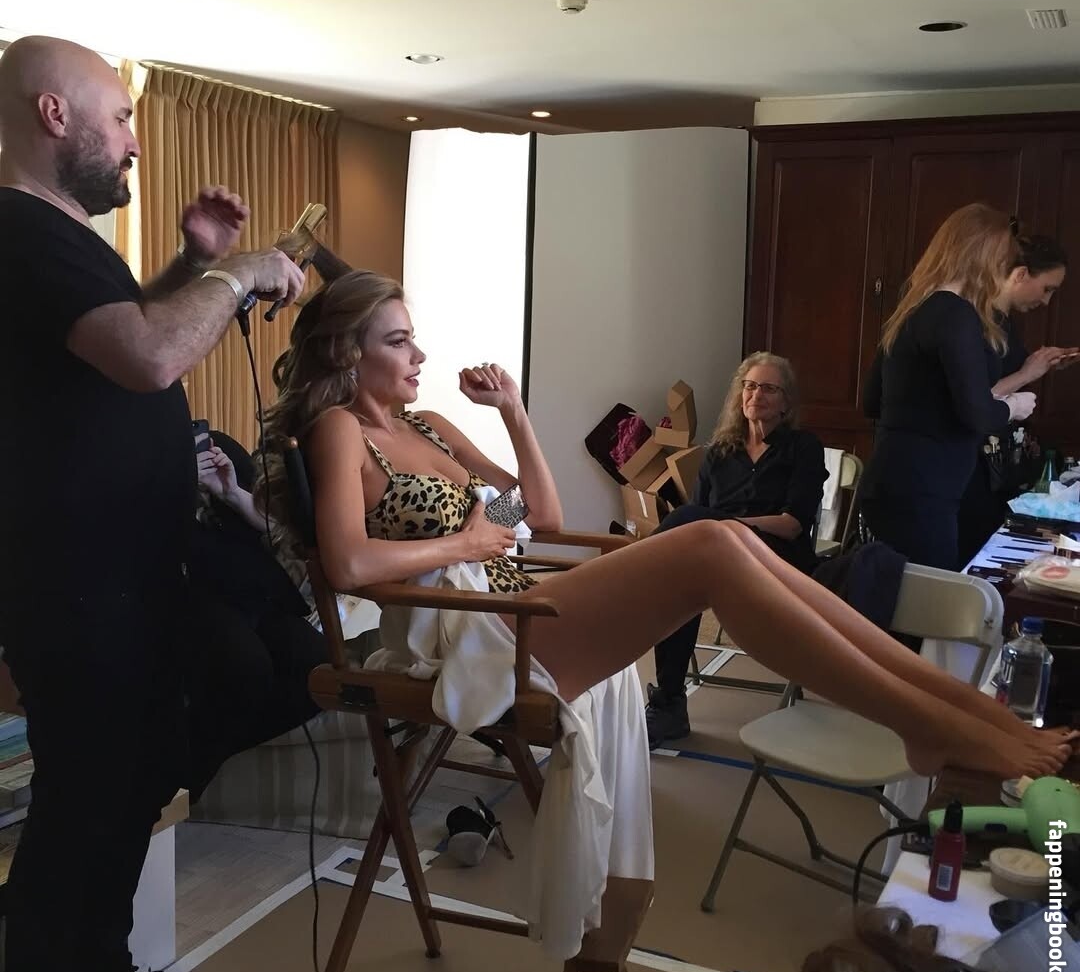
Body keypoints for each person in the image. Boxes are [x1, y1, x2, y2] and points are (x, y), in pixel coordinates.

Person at [260, 270, 1075, 785]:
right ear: (347, 351)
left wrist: (513, 413)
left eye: (413, 336)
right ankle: (931, 721)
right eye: (399, 340)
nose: (419, 353)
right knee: (713, 544)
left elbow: (536, 515)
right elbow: (348, 563)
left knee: (730, 540)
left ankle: (956, 711)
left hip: (514, 605)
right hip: (475, 638)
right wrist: (467, 543)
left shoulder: (431, 426)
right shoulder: (340, 431)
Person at [0, 36, 304, 972]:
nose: (135, 140)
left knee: (127, 780)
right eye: (123, 116)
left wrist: (193, 264)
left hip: (119, 577)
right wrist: (240, 274)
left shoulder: (58, 237)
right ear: (55, 115)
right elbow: (147, 354)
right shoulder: (19, 226)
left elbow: (116, 328)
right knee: (88, 792)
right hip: (79, 586)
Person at [643, 352, 827, 748]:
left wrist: (729, 527)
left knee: (688, 524)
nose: (756, 395)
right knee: (678, 584)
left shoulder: (803, 448)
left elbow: (792, 523)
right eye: (750, 386)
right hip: (717, 559)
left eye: (768, 388)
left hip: (776, 559)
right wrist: (716, 530)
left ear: (785, 401)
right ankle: (670, 704)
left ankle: (636, 571)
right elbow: (696, 521)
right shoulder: (719, 452)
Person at [860, 203, 1038, 571]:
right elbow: (977, 415)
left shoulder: (912, 309)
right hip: (925, 489)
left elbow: (872, 401)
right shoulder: (956, 313)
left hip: (891, 477)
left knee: (894, 592)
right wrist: (1014, 406)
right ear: (985, 257)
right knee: (928, 598)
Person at [184, 431, 325, 801]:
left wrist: (231, 492)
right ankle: (178, 784)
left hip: (256, 589)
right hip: (190, 594)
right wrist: (179, 484)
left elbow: (275, 528)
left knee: (321, 674)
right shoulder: (139, 461)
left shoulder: (218, 446)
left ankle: (188, 761)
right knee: (246, 668)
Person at [957, 234, 1076, 564]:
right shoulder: (967, 320)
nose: (1047, 302)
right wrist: (1027, 373)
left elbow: (1008, 376)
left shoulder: (1005, 323)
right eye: (1047, 289)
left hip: (997, 462)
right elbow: (974, 398)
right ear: (1021, 274)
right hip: (969, 465)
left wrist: (1043, 365)